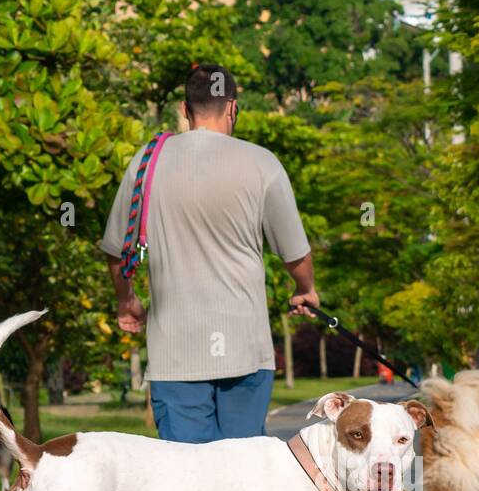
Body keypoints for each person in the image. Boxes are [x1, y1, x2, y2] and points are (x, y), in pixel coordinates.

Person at [100, 64, 317, 442]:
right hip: (244, 348)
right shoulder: (263, 163)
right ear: (233, 108)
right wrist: (305, 290)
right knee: (240, 476)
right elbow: (295, 254)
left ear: (185, 110)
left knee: (186, 480)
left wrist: (126, 302)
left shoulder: (146, 162)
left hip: (175, 353)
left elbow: (118, 253)